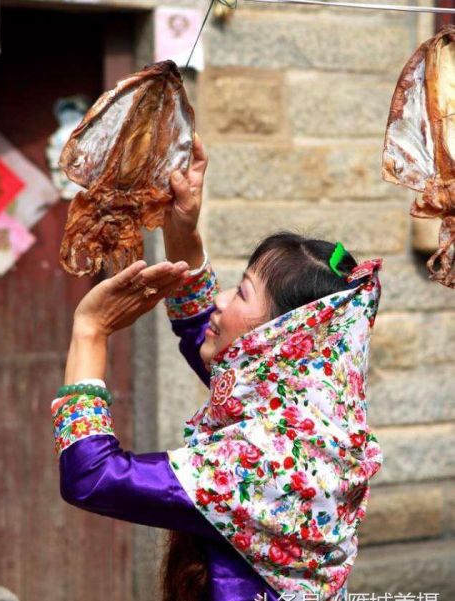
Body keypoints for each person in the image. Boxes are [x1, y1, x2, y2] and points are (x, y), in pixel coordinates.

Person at [51, 134, 384, 601]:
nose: (221, 300)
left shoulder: (268, 460)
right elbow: (203, 338)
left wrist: (90, 331)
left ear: (279, 337)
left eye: (242, 292)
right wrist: (182, 224)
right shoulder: (312, 404)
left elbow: (93, 477)